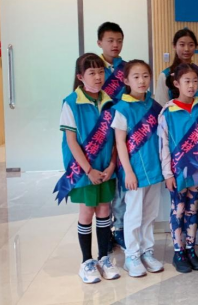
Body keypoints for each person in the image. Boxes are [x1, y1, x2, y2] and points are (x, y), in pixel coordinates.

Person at [55, 53, 120, 284]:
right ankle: (86, 262)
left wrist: (112, 164)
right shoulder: (71, 102)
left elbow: (116, 138)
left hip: (105, 168)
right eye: (92, 73)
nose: (98, 77)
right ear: (80, 77)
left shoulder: (110, 101)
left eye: (101, 71)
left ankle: (103, 258)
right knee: (87, 212)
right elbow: (71, 141)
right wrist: (88, 170)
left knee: (104, 211)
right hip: (83, 170)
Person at [113, 60, 165, 278]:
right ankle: (131, 256)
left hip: (154, 169)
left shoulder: (155, 106)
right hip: (134, 173)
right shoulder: (122, 109)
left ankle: (147, 251)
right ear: (126, 80)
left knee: (150, 214)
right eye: (136, 77)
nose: (142, 81)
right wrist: (128, 172)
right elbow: (119, 143)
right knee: (133, 215)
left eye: (145, 76)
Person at [159, 63, 198, 273]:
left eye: (195, 81)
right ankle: (178, 252)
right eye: (187, 81)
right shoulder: (168, 111)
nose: (191, 85)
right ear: (176, 83)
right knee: (178, 210)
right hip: (177, 171)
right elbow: (163, 144)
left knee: (193, 210)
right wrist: (167, 173)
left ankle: (191, 250)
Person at [96, 22, 128, 251]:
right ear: (100, 43)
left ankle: (120, 228)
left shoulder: (126, 69)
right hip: (100, 134)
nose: (115, 45)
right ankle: (104, 230)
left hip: (123, 131)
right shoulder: (94, 67)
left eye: (119, 41)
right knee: (104, 180)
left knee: (121, 181)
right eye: (110, 40)